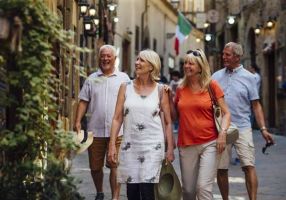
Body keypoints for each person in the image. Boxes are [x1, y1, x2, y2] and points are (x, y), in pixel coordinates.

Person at [108, 49, 175, 200]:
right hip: (130, 146)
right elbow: (117, 118)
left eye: (141, 60)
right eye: (137, 59)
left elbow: (168, 122)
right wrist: (112, 145)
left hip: (152, 146)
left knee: (147, 191)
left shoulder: (160, 90)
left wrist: (170, 148)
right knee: (132, 192)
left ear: (151, 66)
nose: (137, 63)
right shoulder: (125, 87)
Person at [212, 42, 275, 200]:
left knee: (248, 166)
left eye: (227, 54)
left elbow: (256, 105)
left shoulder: (249, 77)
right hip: (221, 129)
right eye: (223, 54)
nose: (223, 57)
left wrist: (263, 129)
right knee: (221, 169)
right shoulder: (216, 76)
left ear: (237, 57)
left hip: (242, 127)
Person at [169, 49, 231, 200]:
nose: (187, 66)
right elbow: (174, 117)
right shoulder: (180, 89)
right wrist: (169, 100)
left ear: (200, 66)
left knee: (203, 187)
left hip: (210, 142)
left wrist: (222, 133)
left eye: (191, 63)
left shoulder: (212, 86)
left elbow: (226, 113)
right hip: (186, 144)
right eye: (185, 63)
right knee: (188, 191)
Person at [74, 44, 130, 200]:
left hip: (118, 131)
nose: (105, 59)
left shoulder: (124, 79)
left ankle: (115, 197)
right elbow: (83, 101)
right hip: (96, 130)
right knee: (95, 167)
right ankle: (99, 191)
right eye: (103, 56)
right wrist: (78, 121)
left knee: (114, 164)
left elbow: (133, 98)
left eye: (108, 56)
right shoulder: (92, 79)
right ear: (99, 58)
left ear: (114, 58)